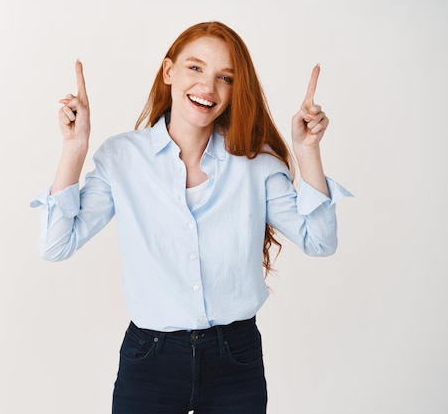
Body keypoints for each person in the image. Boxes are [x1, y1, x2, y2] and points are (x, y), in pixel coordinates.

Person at [30, 21, 351, 414]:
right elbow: (56, 244)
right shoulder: (123, 158)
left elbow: (319, 242)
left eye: (225, 77)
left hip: (236, 359)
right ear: (169, 72)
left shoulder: (255, 162)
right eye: (195, 68)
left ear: (236, 89)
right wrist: (75, 146)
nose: (208, 87)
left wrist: (308, 153)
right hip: (149, 359)